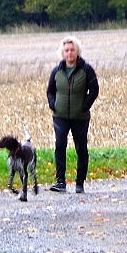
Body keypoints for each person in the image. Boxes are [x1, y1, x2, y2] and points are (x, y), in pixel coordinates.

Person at [45, 36, 99, 194]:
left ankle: (80, 182)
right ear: (62, 53)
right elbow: (50, 91)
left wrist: (85, 106)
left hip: (80, 117)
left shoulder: (86, 69)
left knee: (81, 148)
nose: (69, 53)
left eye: (72, 50)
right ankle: (60, 181)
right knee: (60, 145)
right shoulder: (57, 70)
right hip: (60, 116)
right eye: (66, 50)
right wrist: (53, 104)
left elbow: (94, 90)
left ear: (77, 51)